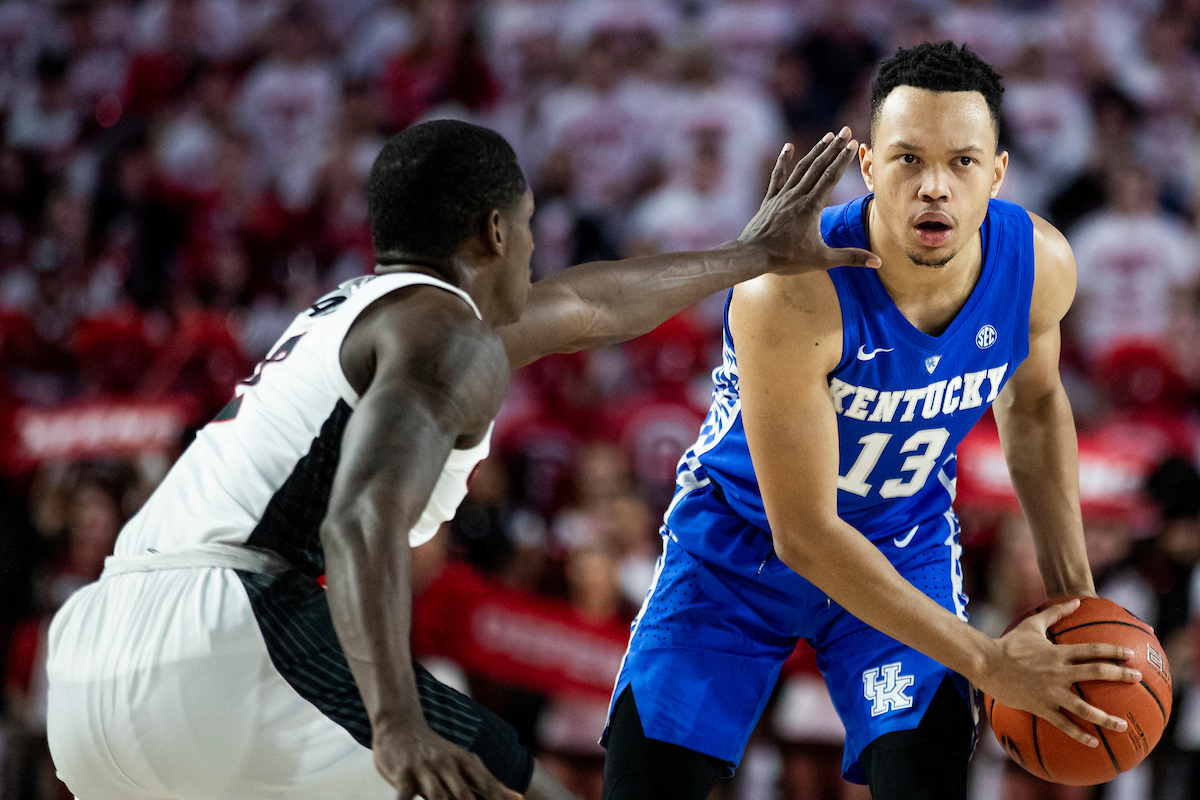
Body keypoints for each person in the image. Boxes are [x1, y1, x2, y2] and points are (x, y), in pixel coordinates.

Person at [43, 118, 875, 800]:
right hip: (228, 632)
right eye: (531, 229)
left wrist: (752, 256)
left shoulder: (373, 315)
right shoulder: (443, 337)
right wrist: (396, 720)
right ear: (497, 230)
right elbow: (359, 518)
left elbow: (589, 305)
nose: (537, 256)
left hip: (90, 666)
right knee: (508, 781)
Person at [601, 42, 1143, 800]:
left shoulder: (1040, 263)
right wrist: (990, 661)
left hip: (899, 540)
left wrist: (1073, 600)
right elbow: (806, 535)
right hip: (739, 552)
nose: (933, 188)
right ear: (866, 163)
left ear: (998, 172)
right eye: (907, 159)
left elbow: (1037, 402)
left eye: (961, 162)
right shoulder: (791, 290)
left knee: (923, 777)